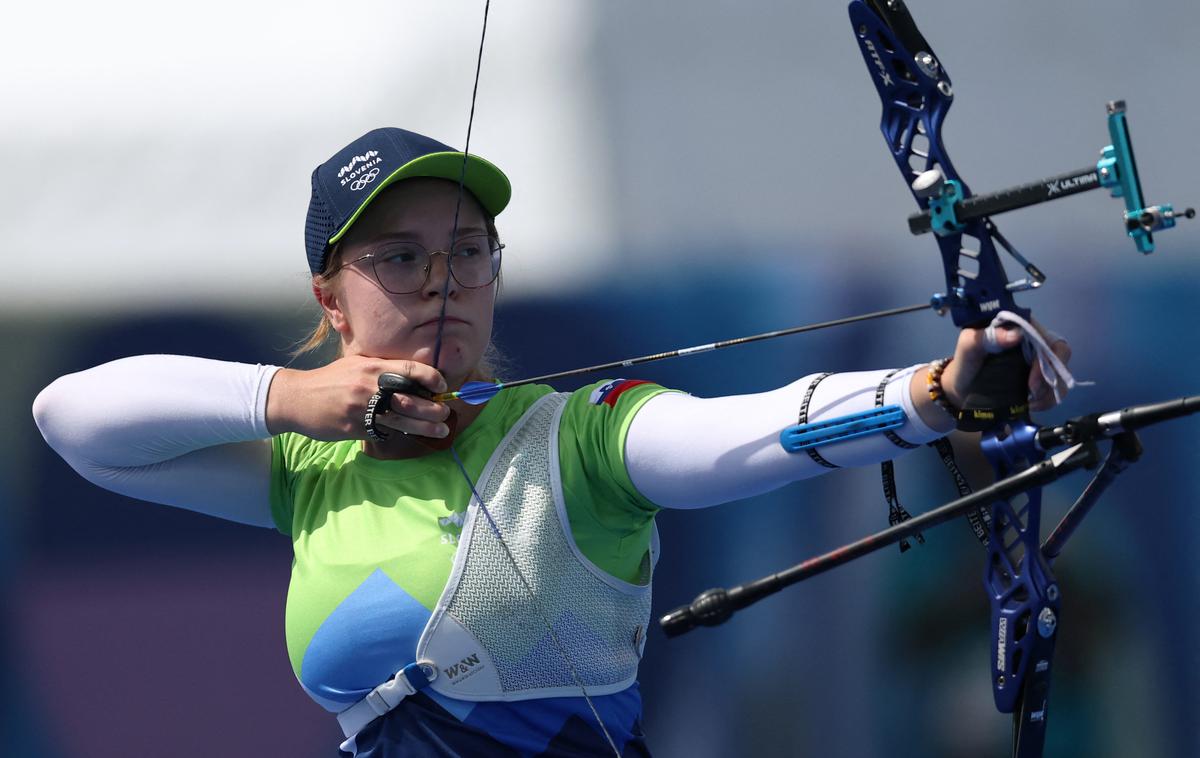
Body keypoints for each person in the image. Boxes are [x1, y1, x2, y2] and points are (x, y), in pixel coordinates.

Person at [32, 127, 1071, 757]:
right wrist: (290, 397)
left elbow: (740, 433)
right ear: (330, 299)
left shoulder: (579, 437)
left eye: (470, 252)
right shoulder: (308, 469)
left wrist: (931, 391)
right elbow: (74, 421)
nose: (445, 283)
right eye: (401, 258)